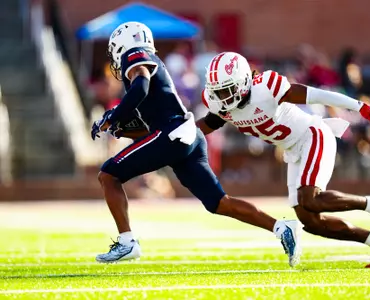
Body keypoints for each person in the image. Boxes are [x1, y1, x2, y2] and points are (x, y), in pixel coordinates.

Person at [90, 23, 301, 266]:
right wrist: (121, 128)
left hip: (173, 134)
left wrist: (113, 115)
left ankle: (127, 242)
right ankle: (281, 227)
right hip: (185, 135)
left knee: (109, 175)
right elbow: (150, 128)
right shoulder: (150, 63)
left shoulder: (134, 55)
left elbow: (141, 86)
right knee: (219, 202)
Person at [196, 52, 370, 268]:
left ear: (244, 81)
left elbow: (316, 95)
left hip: (312, 135)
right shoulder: (220, 104)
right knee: (310, 221)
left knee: (310, 198)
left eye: (227, 89)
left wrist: (360, 107)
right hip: (291, 149)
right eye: (218, 91)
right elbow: (209, 123)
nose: (223, 96)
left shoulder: (266, 87)